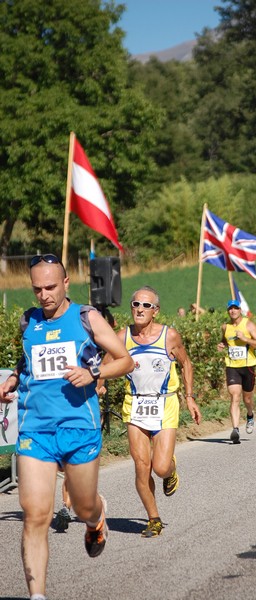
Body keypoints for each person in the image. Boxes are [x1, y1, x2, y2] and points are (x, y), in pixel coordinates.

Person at [0, 254, 134, 600]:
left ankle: (96, 519)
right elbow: (29, 359)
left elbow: (125, 360)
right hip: (36, 431)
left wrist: (94, 373)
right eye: (36, 289)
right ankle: (38, 596)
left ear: (65, 284)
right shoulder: (28, 320)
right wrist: (14, 377)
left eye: (49, 287)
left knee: (82, 505)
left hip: (79, 427)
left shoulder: (87, 318)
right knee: (35, 514)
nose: (43, 295)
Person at [103, 285, 202, 538]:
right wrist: (99, 385)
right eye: (136, 304)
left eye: (146, 305)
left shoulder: (169, 336)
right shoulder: (122, 337)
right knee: (141, 466)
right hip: (135, 404)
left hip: (165, 404)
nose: (140, 309)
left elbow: (187, 364)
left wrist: (189, 398)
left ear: (155, 311)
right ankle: (153, 519)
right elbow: (104, 364)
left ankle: (170, 469)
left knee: (159, 467)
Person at [217, 299, 256, 444]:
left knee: (247, 399)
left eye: (235, 308)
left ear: (240, 310)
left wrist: (245, 339)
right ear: (228, 311)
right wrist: (222, 344)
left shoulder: (249, 325)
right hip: (232, 366)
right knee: (235, 396)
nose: (233, 311)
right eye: (230, 309)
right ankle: (235, 429)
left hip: (248, 366)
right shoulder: (225, 327)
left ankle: (250, 415)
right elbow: (225, 340)